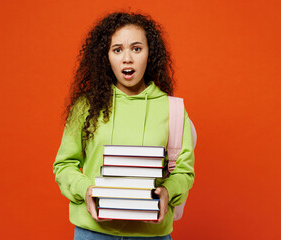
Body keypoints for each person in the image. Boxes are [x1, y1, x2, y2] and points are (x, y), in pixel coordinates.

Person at [53, 12, 195, 239]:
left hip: (152, 234)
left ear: (150, 54)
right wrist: (86, 191)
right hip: (93, 232)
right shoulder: (86, 107)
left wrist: (167, 191)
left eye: (136, 48)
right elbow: (64, 165)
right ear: (105, 56)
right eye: (117, 49)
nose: (127, 58)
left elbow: (184, 171)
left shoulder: (173, 110)